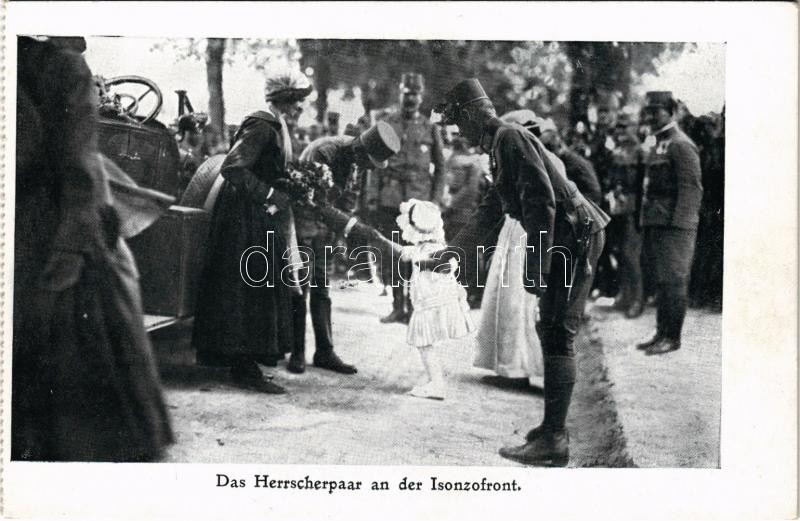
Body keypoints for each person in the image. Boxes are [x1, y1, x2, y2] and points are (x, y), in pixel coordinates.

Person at [432, 79, 609, 466]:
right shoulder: (500, 144)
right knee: (549, 328)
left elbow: (541, 202)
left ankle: (555, 439)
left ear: (474, 115)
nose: (461, 133)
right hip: (565, 235)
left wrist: (537, 265)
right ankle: (550, 428)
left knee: (557, 330)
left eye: (460, 124)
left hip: (572, 236)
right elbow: (493, 208)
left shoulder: (509, 137)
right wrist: (452, 253)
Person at [13, 36, 173, 461]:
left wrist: (71, 250)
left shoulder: (56, 66)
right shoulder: (52, 64)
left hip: (45, 231)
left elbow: (80, 168)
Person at [191, 67, 313, 394]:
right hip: (242, 217)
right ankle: (243, 366)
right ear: (284, 100)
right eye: (298, 101)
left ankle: (246, 362)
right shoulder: (262, 124)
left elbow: (264, 169)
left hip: (257, 213)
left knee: (255, 287)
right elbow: (233, 168)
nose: (301, 108)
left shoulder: (276, 126)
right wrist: (271, 194)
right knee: (247, 286)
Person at [290, 121, 402, 374]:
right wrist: (353, 227)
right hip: (304, 221)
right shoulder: (325, 152)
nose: (367, 169)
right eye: (368, 163)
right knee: (301, 286)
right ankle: (295, 350)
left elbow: (349, 200)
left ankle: (324, 351)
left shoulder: (358, 161)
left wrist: (345, 230)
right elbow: (313, 201)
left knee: (322, 287)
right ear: (360, 149)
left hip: (328, 226)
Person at [370, 73, 446, 324]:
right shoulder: (387, 122)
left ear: (421, 97)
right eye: (406, 94)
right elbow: (375, 163)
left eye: (415, 94)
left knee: (415, 256)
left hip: (419, 202)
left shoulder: (430, 127)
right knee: (391, 254)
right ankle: (397, 306)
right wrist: (372, 197)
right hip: (390, 199)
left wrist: (434, 201)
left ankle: (413, 307)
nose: (410, 98)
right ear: (400, 93)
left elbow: (440, 167)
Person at [636, 91, 703, 355]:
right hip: (658, 222)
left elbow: (691, 189)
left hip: (675, 226)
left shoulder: (681, 144)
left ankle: (671, 337)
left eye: (657, 111)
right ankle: (661, 332)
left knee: (674, 280)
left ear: (671, 112)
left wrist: (680, 226)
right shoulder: (659, 142)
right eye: (648, 111)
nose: (651, 116)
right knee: (663, 281)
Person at [395, 200, 475, 400]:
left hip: (432, 304)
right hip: (434, 303)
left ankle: (437, 384)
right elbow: (404, 253)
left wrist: (425, 264)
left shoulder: (435, 250)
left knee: (425, 342)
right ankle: (435, 381)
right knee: (427, 343)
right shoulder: (427, 246)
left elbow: (446, 265)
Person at [606, 113, 645, 318]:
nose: (620, 131)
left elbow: (643, 185)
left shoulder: (641, 152)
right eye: (618, 127)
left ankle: (638, 299)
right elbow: (612, 179)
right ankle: (625, 294)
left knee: (632, 255)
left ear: (634, 127)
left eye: (624, 127)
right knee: (619, 253)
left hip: (634, 208)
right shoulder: (617, 151)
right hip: (618, 207)